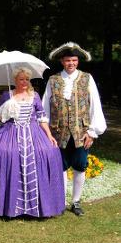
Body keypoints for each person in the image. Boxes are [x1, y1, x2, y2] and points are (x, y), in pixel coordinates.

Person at [0, 67, 65, 218]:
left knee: (47, 151)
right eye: (21, 79)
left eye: (27, 79)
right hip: (10, 131)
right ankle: (5, 206)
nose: (24, 82)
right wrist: (6, 109)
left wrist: (49, 136)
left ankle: (38, 207)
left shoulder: (34, 96)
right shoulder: (6, 95)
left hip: (33, 132)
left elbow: (41, 117)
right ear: (15, 80)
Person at [42, 42, 106, 216]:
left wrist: (92, 132)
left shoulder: (87, 78)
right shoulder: (53, 80)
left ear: (78, 61)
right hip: (57, 133)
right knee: (60, 166)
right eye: (68, 60)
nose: (71, 63)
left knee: (80, 166)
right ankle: (61, 201)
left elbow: (95, 105)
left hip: (81, 133)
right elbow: (44, 107)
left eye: (74, 60)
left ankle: (76, 202)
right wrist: (46, 132)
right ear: (62, 61)